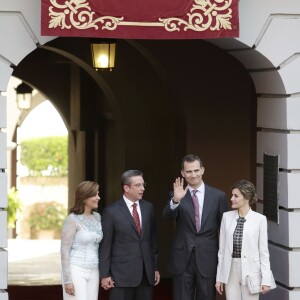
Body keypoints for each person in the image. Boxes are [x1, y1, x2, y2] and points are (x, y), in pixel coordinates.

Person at [162, 154, 228, 300]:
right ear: (183, 173)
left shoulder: (218, 196)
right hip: (182, 259)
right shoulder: (177, 194)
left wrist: (224, 262)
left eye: (196, 170)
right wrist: (175, 200)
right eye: (189, 171)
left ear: (203, 170)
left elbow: (225, 230)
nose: (193, 175)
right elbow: (166, 216)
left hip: (208, 258)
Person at [100, 169, 160, 300]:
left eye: (143, 184)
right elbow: (106, 245)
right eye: (138, 185)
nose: (142, 188)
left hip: (146, 274)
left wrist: (155, 267)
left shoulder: (148, 208)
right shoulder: (111, 212)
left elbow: (152, 241)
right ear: (126, 188)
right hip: (121, 276)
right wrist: (105, 274)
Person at [215, 180, 275, 300]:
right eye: (232, 195)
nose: (232, 198)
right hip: (230, 270)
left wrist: (266, 279)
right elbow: (221, 251)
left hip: (252, 271)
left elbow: (263, 252)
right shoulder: (226, 217)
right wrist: (219, 278)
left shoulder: (260, 220)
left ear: (247, 198)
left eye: (236, 196)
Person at [61, 181, 103, 300]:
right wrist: (67, 279)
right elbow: (64, 251)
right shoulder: (72, 219)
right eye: (95, 195)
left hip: (94, 270)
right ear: (84, 197)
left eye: (98, 194)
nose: (98, 198)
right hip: (76, 269)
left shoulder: (97, 217)